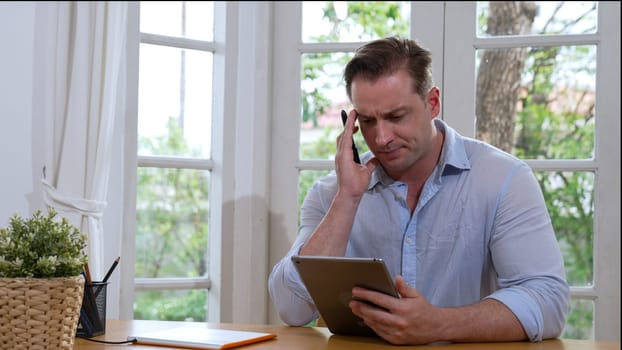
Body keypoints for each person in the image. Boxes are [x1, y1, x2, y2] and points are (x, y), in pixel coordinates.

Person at [268, 36, 569, 345]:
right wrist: (348, 198)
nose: (382, 138)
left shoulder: (504, 179)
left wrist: (440, 324)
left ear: (432, 103)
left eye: (396, 117)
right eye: (368, 121)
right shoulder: (333, 193)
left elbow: (547, 300)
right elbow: (291, 309)